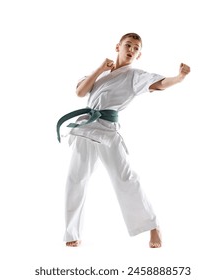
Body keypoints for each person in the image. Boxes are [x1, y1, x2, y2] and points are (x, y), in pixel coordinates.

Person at [56, 33, 190, 248]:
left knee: (125, 178)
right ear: (118, 46)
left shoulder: (134, 76)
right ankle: (72, 232)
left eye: (136, 48)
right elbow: (80, 92)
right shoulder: (101, 73)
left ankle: (153, 226)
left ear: (139, 54)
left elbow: (160, 83)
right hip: (84, 129)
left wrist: (178, 78)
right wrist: (100, 69)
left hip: (107, 131)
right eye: (128, 45)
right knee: (75, 179)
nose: (131, 50)